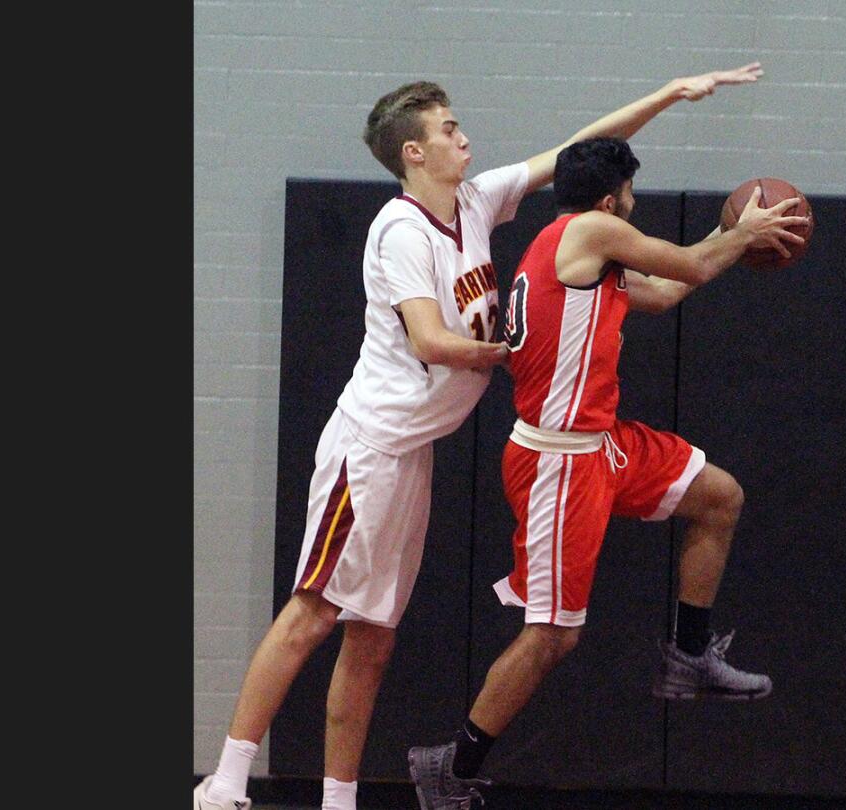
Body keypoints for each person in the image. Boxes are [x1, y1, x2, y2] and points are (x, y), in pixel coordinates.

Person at [195, 65, 769, 810]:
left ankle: (340, 800)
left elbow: (576, 151)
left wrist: (666, 95)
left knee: (374, 636)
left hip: (417, 453)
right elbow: (431, 339)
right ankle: (227, 779)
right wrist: (504, 349)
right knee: (313, 611)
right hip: (369, 444)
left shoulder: (475, 201)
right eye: (448, 130)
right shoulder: (398, 228)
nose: (464, 138)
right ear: (413, 153)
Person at [407, 136, 809, 809]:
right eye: (630, 194)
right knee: (553, 636)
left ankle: (688, 653)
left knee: (719, 498)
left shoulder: (577, 247)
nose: (634, 203)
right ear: (607, 200)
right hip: (559, 462)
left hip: (601, 445)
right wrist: (745, 234)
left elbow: (667, 290)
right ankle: (452, 765)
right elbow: (692, 267)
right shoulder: (591, 232)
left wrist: (728, 231)